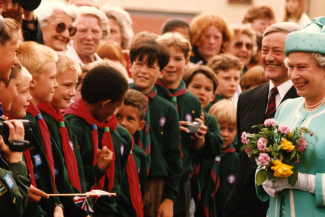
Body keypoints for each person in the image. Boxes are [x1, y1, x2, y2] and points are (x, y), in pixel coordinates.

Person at [224, 22, 300, 217]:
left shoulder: (305, 100)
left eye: (277, 51)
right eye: (264, 50)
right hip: (241, 208)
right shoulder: (247, 98)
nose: (268, 57)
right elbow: (244, 159)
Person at [256, 16, 325, 217]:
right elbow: (267, 157)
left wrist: (306, 182)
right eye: (291, 66)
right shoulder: (286, 107)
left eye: (302, 67)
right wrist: (263, 176)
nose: (294, 75)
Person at [65, 65, 131, 217]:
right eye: (116, 106)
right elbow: (73, 181)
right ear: (105, 103)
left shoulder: (99, 126)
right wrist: (99, 168)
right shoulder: (73, 126)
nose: (116, 111)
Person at [129, 32, 182, 217]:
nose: (143, 70)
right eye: (139, 64)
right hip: (125, 178)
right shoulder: (120, 101)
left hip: (155, 183)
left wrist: (169, 199)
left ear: (161, 72)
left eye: (151, 66)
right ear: (130, 66)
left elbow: (174, 156)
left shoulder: (167, 108)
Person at [156, 32, 209, 217]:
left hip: (182, 180)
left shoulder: (192, 100)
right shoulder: (149, 95)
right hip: (154, 176)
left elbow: (195, 150)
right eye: (165, 58)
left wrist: (199, 137)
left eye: (178, 58)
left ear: (187, 62)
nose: (171, 64)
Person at [37, 53, 93, 216]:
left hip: (75, 207)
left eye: (75, 86)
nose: (73, 93)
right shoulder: (43, 122)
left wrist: (86, 209)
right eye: (67, 85)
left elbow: (79, 173)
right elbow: (60, 177)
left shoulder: (63, 122)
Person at [17, 41, 63, 217]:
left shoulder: (41, 119)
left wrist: (58, 204)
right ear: (32, 81)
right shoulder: (24, 119)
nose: (56, 84)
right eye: (52, 78)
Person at [182, 65, 223, 217]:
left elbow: (217, 146)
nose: (201, 92)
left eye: (207, 89)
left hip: (201, 179)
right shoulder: (178, 112)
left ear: (213, 95)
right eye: (196, 87)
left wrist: (204, 137)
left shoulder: (210, 120)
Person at [116, 89, 147, 217]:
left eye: (130, 119)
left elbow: (141, 189)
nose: (122, 123)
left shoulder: (140, 155)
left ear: (140, 125)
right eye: (118, 116)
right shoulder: (107, 148)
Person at [209, 100, 239, 217]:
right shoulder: (206, 154)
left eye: (231, 130)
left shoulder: (237, 159)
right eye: (220, 128)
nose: (225, 134)